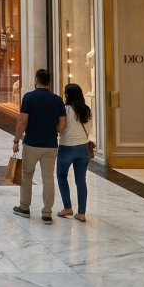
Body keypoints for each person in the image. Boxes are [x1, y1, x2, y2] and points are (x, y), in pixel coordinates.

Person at [13, 69, 67, 225]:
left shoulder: (29, 97)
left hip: (31, 143)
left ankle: (24, 207)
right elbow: (62, 125)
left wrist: (16, 140)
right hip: (50, 144)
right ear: (49, 82)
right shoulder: (57, 100)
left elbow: (22, 121)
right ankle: (47, 213)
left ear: (36, 80)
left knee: (27, 175)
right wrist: (53, 129)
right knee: (48, 178)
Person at [57, 83, 92, 223]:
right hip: (84, 147)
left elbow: (60, 128)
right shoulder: (86, 110)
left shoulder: (65, 109)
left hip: (67, 147)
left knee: (61, 175)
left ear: (67, 95)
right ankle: (81, 213)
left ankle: (67, 207)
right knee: (81, 180)